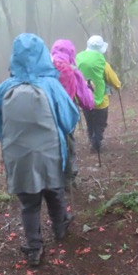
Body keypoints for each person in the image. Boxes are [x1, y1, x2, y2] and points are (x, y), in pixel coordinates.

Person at [0, 33, 79, 267]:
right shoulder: (51, 85)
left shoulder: (2, 90)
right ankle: (60, 228)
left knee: (29, 204)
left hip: (18, 156)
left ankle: (34, 248)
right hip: (50, 153)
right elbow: (69, 119)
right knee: (55, 192)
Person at [51, 39, 94, 185]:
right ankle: (69, 178)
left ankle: (53, 178)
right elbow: (87, 102)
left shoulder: (44, 68)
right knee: (68, 143)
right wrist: (89, 89)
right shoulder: (72, 70)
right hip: (66, 115)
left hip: (46, 115)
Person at [75, 35, 121, 153]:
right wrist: (117, 85)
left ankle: (92, 140)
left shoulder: (78, 59)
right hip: (101, 101)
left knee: (90, 122)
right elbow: (112, 79)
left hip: (84, 100)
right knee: (100, 124)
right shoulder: (103, 63)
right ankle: (96, 143)